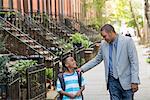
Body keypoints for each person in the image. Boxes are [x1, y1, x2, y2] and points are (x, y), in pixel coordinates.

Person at [79, 24, 140, 100]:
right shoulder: (104, 44)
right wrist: (82, 69)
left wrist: (134, 81)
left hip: (126, 81)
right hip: (112, 81)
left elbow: (134, 62)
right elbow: (97, 59)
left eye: (105, 36)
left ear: (111, 32)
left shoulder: (127, 41)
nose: (104, 39)